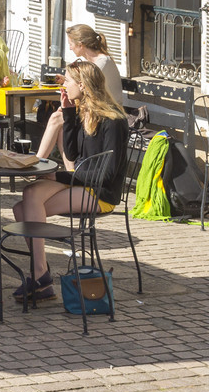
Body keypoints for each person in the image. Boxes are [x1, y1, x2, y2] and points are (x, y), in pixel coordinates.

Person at [10, 59, 129, 302]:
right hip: (81, 182)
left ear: (83, 85)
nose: (63, 84)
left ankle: (40, 277)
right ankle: (41, 274)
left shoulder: (113, 121)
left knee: (27, 210)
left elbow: (104, 175)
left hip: (101, 193)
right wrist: (69, 113)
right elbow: (73, 155)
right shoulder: (83, 113)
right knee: (27, 198)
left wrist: (60, 176)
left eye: (68, 80)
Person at [36, 24, 125, 159]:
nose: (70, 47)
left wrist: (68, 107)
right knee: (64, 127)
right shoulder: (91, 61)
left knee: (57, 119)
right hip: (92, 109)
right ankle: (72, 172)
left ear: (81, 44)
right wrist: (66, 80)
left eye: (71, 44)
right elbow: (84, 89)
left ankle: (36, 163)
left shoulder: (101, 63)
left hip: (104, 114)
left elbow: (89, 91)